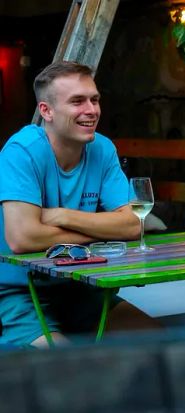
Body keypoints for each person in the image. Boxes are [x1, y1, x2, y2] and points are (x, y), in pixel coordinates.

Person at [0, 61, 160, 347]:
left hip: (79, 288)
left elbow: (134, 223)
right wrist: (103, 231)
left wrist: (60, 216)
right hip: (19, 291)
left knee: (160, 344)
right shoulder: (21, 151)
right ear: (46, 111)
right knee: (69, 369)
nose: (91, 110)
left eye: (94, 99)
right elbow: (23, 238)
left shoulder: (102, 147)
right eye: (77, 101)